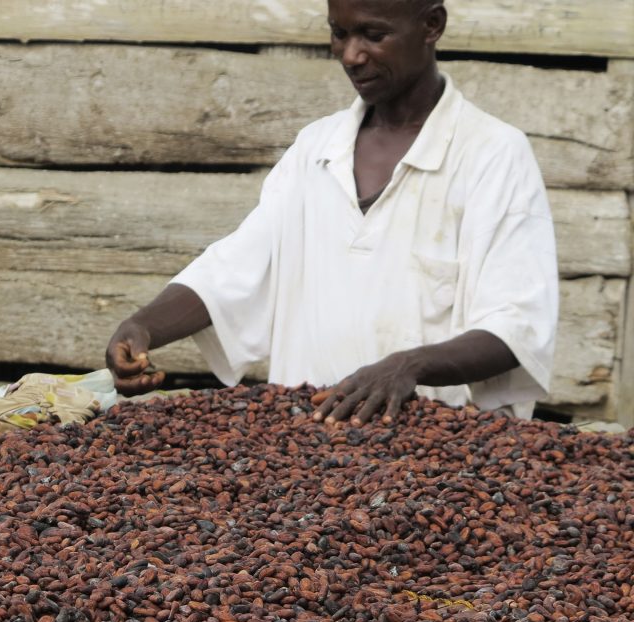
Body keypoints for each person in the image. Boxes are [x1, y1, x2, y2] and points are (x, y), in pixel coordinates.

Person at [106, 0, 557, 425]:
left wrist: (410, 365)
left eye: (373, 35)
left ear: (432, 25)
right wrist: (142, 327)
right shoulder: (316, 149)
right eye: (339, 34)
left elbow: (516, 325)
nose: (351, 55)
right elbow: (234, 270)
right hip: (308, 450)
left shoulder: (491, 154)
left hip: (435, 460)